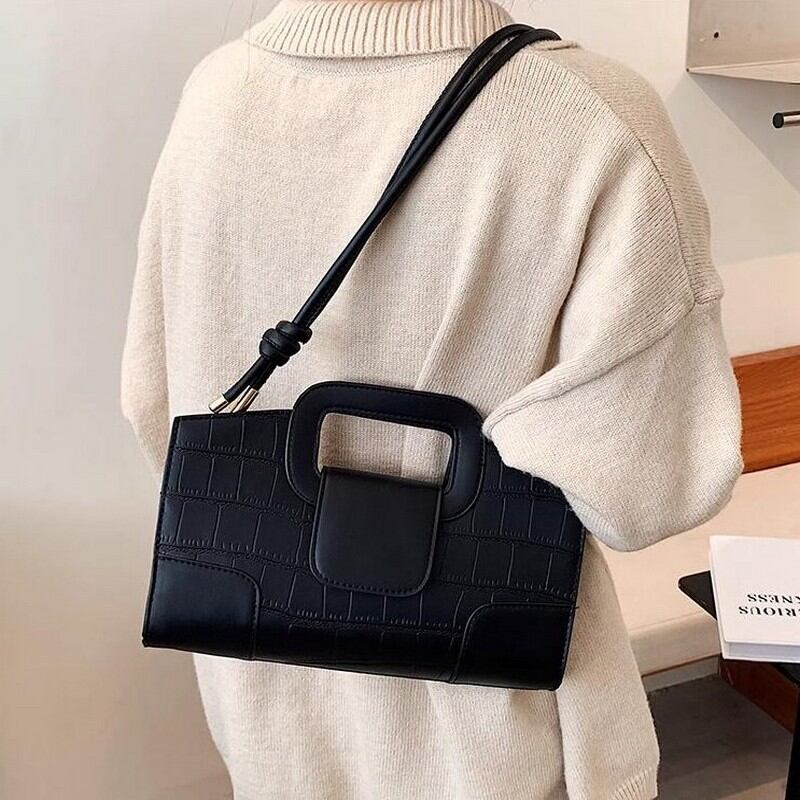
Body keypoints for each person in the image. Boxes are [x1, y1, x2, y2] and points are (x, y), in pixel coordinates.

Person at [121, 1, 742, 797]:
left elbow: (155, 407)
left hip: (270, 705)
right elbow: (650, 491)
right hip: (495, 732)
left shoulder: (218, 92)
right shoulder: (593, 115)